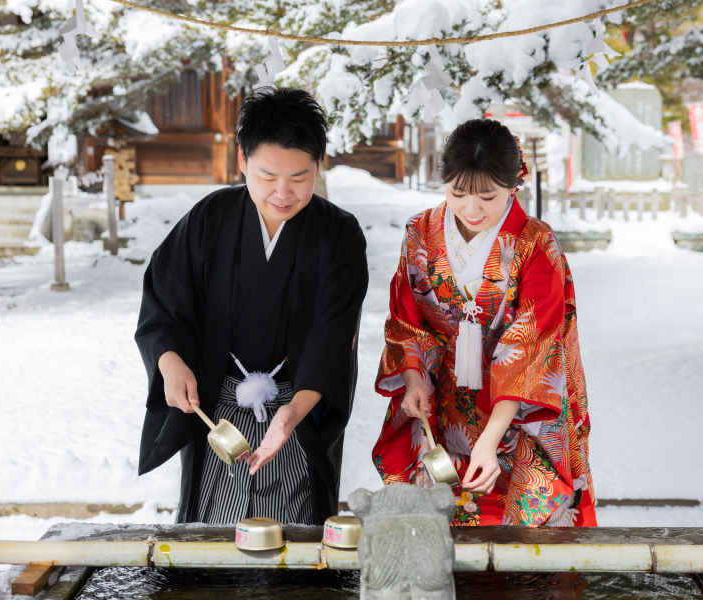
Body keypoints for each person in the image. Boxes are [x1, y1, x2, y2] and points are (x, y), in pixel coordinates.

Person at [135, 87, 369, 525]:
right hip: (216, 412)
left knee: (292, 541)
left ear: (319, 166)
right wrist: (170, 363)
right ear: (241, 161)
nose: (283, 193)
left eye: (299, 178)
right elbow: (165, 301)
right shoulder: (211, 217)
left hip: (297, 411)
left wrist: (293, 414)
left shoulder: (339, 233)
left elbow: (334, 334)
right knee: (212, 537)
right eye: (266, 177)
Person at [371, 118, 596, 527]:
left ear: (515, 185)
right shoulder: (420, 233)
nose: (472, 209)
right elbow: (406, 318)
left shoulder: (535, 243)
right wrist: (413, 379)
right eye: (458, 193)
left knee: (525, 542)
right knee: (433, 528)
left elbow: (529, 349)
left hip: (519, 408)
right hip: (440, 401)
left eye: (488, 197)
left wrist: (491, 438)